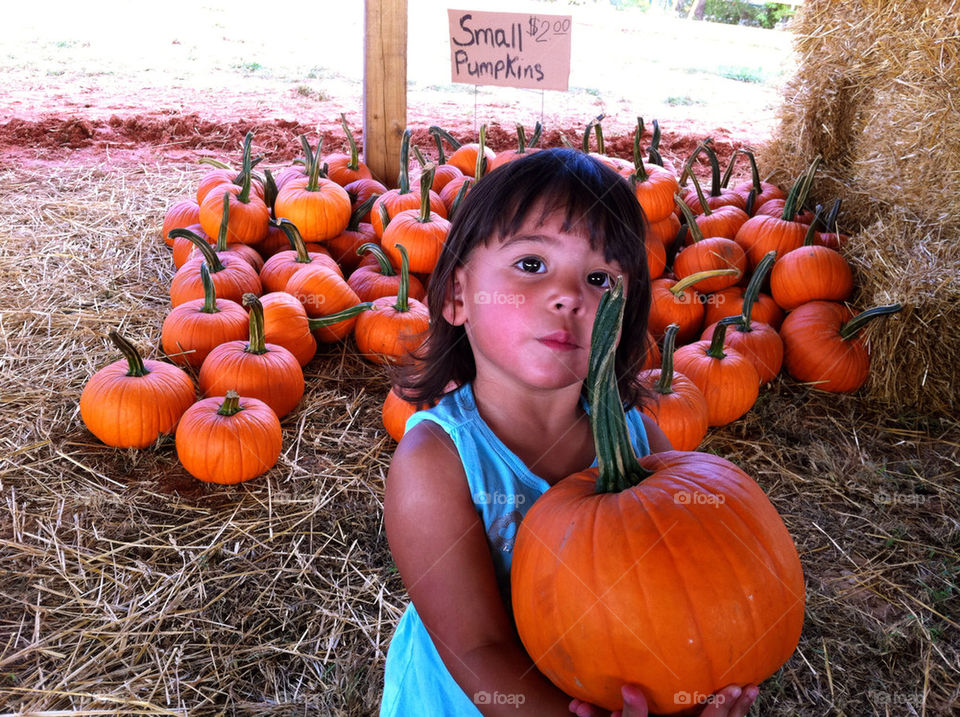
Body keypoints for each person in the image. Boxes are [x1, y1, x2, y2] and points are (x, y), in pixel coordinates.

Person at [380, 147, 758, 716]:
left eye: (600, 278)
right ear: (459, 295)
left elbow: (681, 595)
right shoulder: (438, 461)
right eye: (531, 264)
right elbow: (477, 648)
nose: (571, 297)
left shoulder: (642, 444)